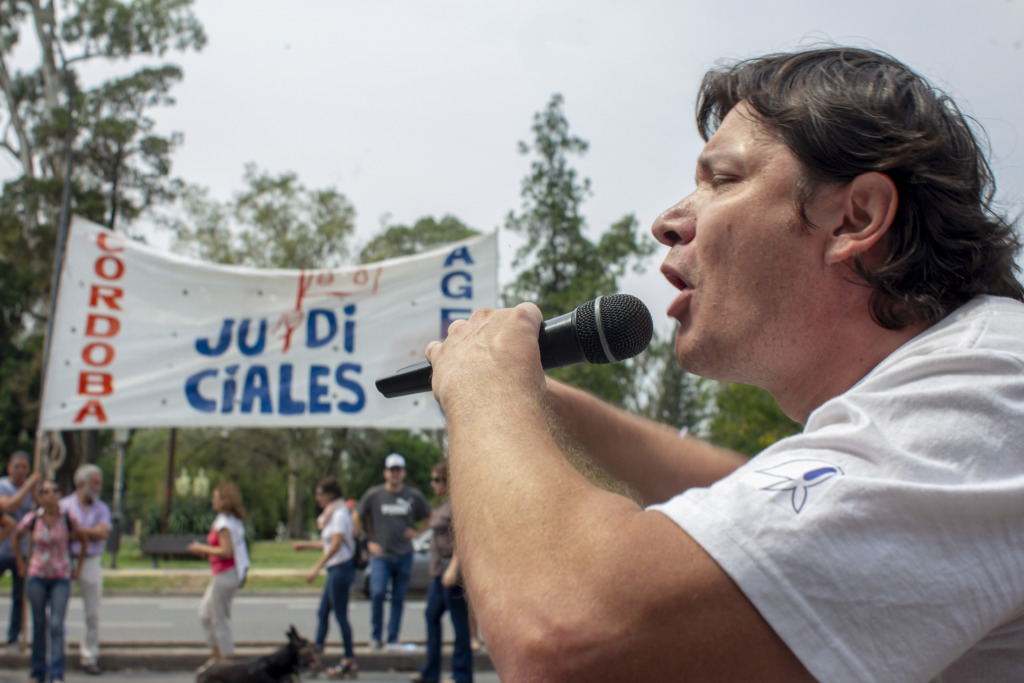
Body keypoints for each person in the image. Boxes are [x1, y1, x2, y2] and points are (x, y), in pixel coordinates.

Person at [422, 46, 1024, 681]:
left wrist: (486, 392)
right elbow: (733, 499)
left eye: (724, 180)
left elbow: (569, 635)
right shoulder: (966, 386)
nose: (668, 222)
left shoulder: (992, 391)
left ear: (857, 217)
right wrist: (532, 392)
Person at [355, 453, 431, 649]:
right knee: (378, 594)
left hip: (404, 554)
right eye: (391, 470)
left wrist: (417, 533)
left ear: (403, 473)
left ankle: (392, 637)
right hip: (381, 556)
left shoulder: (413, 496)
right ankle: (375, 636)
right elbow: (357, 516)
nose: (395, 474)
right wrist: (366, 541)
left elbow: (430, 515)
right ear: (385, 473)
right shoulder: (375, 494)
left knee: (398, 598)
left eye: (398, 470)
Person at [13, 480, 87, 683]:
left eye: (55, 491)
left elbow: (83, 538)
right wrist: (21, 564)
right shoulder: (33, 518)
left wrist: (77, 567)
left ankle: (56, 672)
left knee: (56, 624)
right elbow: (16, 535)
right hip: (37, 575)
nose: (50, 495)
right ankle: (38, 670)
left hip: (60, 576)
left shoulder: (67, 518)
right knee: (39, 623)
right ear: (40, 497)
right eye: (45, 491)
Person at [411, 460, 472, 683]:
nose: (433, 484)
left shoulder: (457, 504)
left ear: (447, 481)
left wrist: (454, 569)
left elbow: (463, 540)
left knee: (460, 626)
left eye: (436, 480)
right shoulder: (444, 504)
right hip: (438, 573)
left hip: (451, 572)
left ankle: (462, 675)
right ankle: (431, 672)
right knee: (431, 616)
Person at [293, 477, 358, 679]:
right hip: (335, 568)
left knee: (339, 615)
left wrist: (316, 567)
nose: (317, 498)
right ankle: (316, 658)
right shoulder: (331, 514)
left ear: (330, 495)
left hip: (341, 568)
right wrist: (307, 546)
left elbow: (337, 544)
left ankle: (348, 659)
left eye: (320, 494)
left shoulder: (339, 514)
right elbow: (329, 543)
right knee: (323, 613)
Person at [188, 481, 249, 675]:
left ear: (225, 500)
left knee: (219, 618)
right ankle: (217, 657)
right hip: (224, 574)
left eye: (216, 497)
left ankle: (226, 662)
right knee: (206, 614)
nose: (212, 500)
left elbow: (226, 551)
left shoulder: (224, 523)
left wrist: (201, 548)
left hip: (225, 574)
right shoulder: (229, 520)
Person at [59, 463, 110, 676]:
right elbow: (61, 532)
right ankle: (58, 651)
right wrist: (88, 532)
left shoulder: (101, 508)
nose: (98, 487)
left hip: (91, 559)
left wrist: (80, 531)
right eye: (94, 482)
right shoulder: (64, 505)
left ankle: (89, 654)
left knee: (92, 611)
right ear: (81, 483)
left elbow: (103, 532)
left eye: (99, 483)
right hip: (65, 558)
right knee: (59, 608)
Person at [0, 450, 41, 649]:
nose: (20, 471)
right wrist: (28, 487)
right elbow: (10, 506)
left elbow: (42, 509)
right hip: (2, 549)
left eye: (24, 467)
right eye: (17, 466)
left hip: (23, 550)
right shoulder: (3, 486)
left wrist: (35, 491)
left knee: (19, 596)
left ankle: (14, 635)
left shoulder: (31, 489)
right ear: (9, 468)